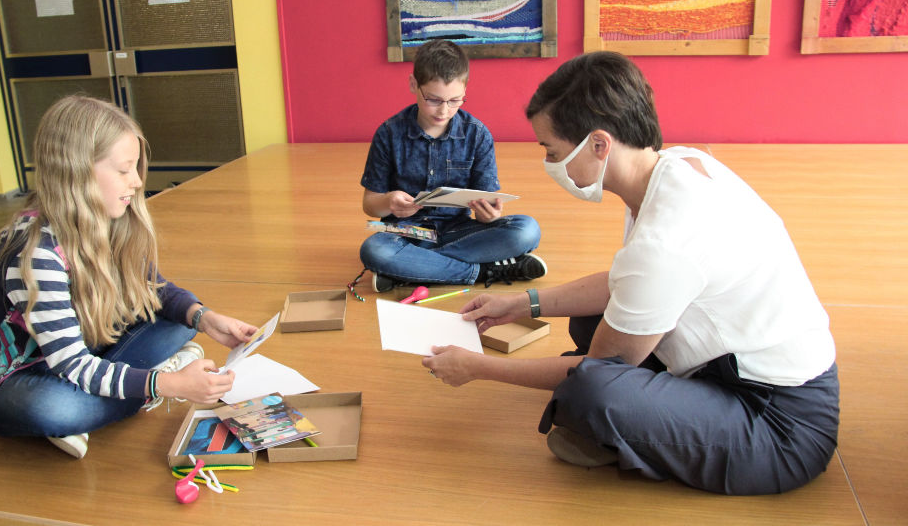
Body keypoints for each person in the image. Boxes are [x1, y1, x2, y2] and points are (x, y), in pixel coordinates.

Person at [422, 51, 839, 495]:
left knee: (591, 392)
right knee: (591, 321)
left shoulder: (666, 238)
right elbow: (630, 282)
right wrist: (520, 302)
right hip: (732, 366)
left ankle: (633, 425)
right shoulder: (675, 166)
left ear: (599, 144)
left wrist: (478, 367)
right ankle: (643, 415)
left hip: (780, 424)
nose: (548, 163)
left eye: (553, 151)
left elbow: (600, 365)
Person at [0, 95, 258, 459]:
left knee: (180, 324)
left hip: (77, 351)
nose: (136, 182)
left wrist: (204, 317)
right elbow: (70, 364)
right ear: (77, 170)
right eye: (123, 170)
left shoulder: (108, 219)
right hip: (15, 378)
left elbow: (151, 288)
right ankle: (123, 395)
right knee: (56, 410)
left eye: (135, 168)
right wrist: (169, 385)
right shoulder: (36, 255)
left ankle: (115, 397)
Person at [359, 38, 546, 293]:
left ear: (465, 91)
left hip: (458, 231)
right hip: (404, 233)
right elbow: (369, 204)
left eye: (455, 101)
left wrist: (488, 215)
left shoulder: (477, 134)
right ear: (414, 84)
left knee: (527, 230)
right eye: (434, 100)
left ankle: (413, 269)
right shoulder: (389, 133)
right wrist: (389, 201)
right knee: (374, 250)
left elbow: (486, 202)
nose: (444, 111)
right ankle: (484, 270)